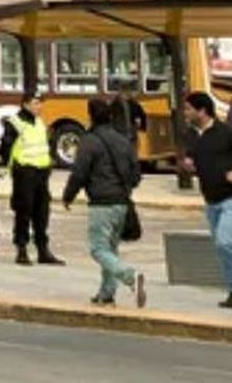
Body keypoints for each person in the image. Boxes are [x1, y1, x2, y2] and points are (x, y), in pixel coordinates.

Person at [62, 98, 146, 307]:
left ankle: (130, 276)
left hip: (101, 202)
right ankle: (106, 293)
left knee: (98, 249)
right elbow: (136, 172)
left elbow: (79, 173)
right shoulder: (122, 139)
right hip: (122, 202)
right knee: (111, 249)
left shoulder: (89, 141)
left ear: (90, 115)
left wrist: (68, 196)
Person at [183, 91, 232, 308]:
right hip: (211, 199)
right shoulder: (192, 135)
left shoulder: (227, 132)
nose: (185, 113)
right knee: (221, 247)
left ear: (202, 111)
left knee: (226, 240)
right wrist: (189, 163)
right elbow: (191, 155)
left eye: (189, 109)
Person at [0, 93, 64, 266]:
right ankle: (22, 250)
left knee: (42, 213)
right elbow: (6, 147)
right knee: (23, 212)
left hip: (41, 174)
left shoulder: (39, 122)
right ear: (25, 104)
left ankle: (43, 250)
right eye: (35, 103)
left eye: (40, 103)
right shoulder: (15, 123)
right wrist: (12, 167)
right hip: (24, 173)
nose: (39, 107)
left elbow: (45, 146)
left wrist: (49, 164)